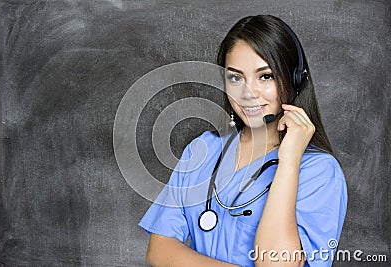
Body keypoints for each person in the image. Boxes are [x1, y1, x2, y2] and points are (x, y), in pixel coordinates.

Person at [138, 15, 347, 267]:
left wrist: (289, 161)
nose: (248, 94)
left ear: (295, 80)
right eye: (236, 78)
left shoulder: (319, 172)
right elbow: (159, 250)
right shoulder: (202, 150)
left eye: (265, 76)